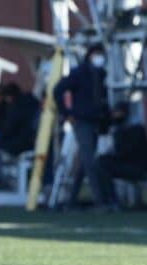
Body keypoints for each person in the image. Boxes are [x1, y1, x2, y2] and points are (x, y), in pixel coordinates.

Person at [54, 43, 110, 209]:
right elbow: (58, 90)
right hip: (82, 121)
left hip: (95, 122)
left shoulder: (100, 74)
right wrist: (67, 113)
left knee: (84, 162)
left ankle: (70, 201)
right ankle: (100, 201)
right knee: (90, 161)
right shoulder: (79, 73)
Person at [93, 101, 147, 211]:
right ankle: (110, 200)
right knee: (100, 163)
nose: (114, 116)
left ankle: (112, 201)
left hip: (139, 168)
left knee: (102, 165)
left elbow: (124, 152)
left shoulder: (135, 129)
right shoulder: (123, 128)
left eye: (117, 113)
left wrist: (111, 155)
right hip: (132, 165)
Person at [0, 82, 39, 188]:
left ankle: (3, 179)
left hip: (19, 144)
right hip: (30, 141)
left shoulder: (16, 108)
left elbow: (8, 129)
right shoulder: (31, 103)